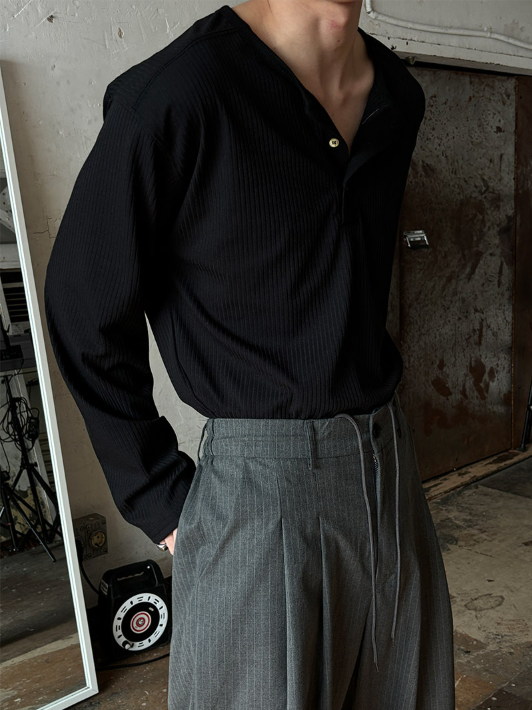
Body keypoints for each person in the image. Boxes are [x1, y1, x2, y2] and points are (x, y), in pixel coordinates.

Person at [44, 1, 455, 707]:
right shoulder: (178, 93)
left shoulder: (397, 96)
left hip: (390, 476)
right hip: (258, 501)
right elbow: (84, 306)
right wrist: (160, 496)